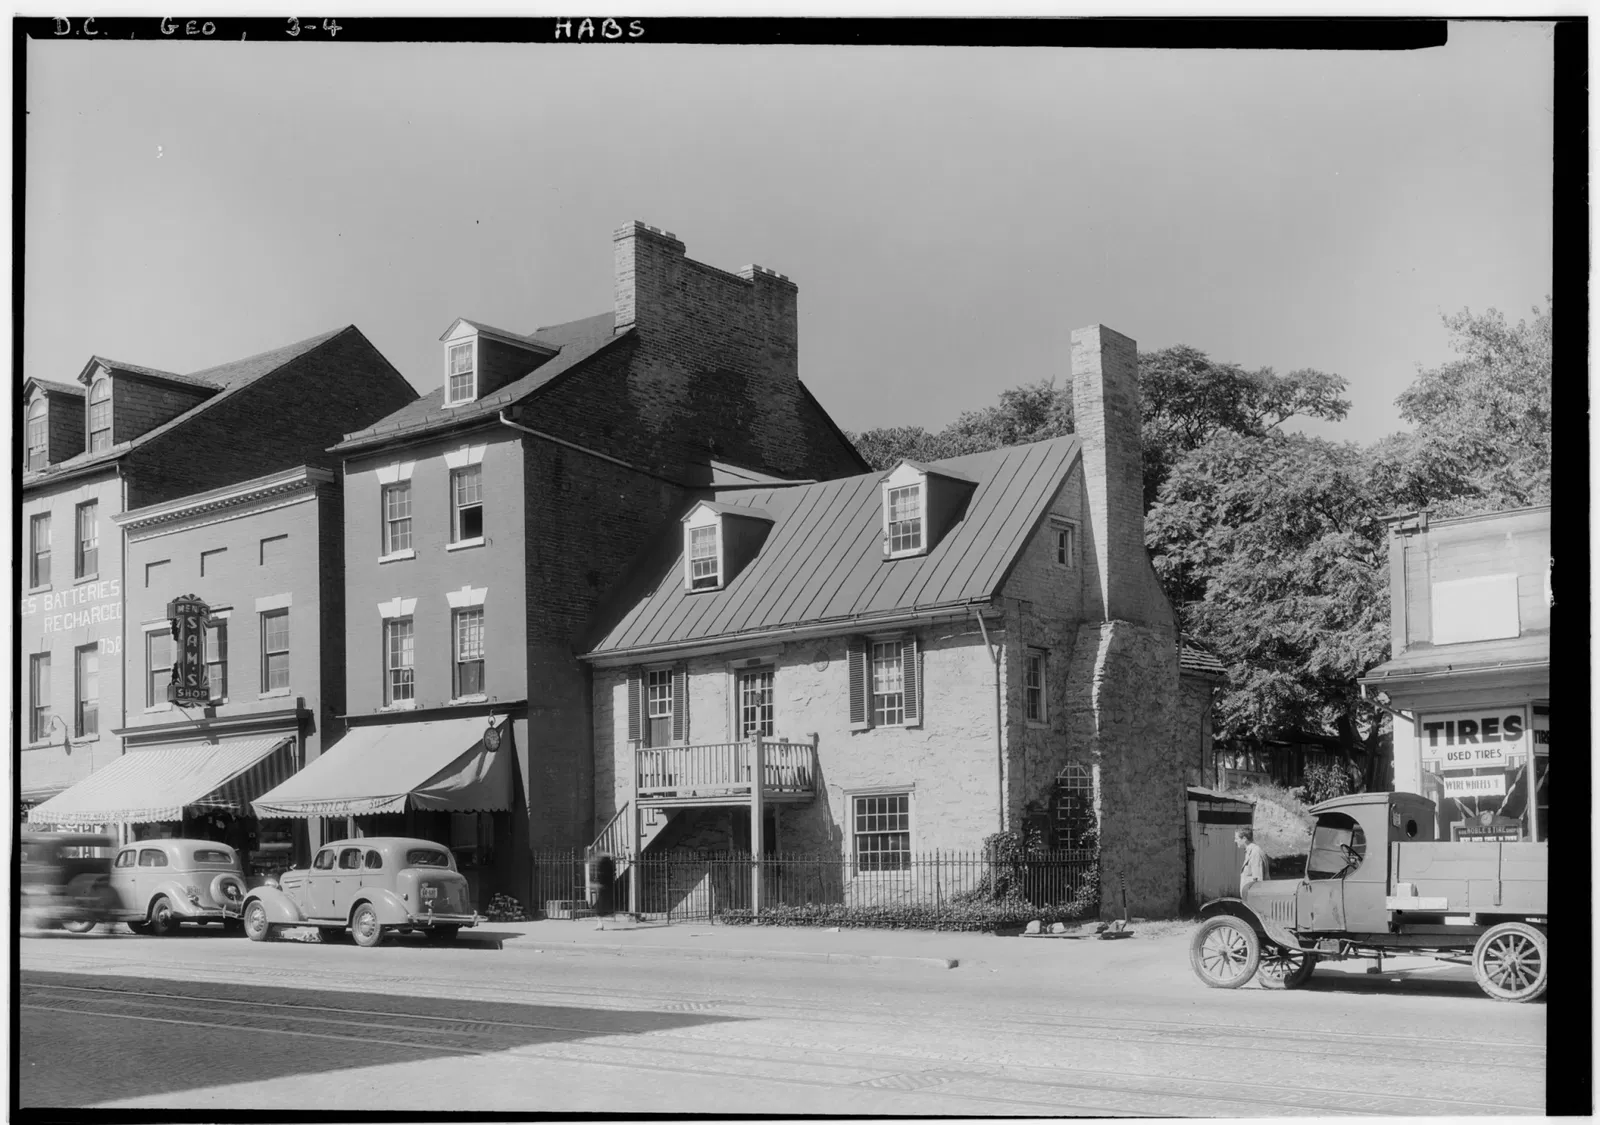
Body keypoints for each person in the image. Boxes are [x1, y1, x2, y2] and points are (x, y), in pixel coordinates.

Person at [1236, 827, 1267, 894]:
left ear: (1244, 839)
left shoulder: (1255, 853)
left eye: (1236, 838)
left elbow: (1258, 882)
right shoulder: (1250, 852)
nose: (1235, 841)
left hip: (1254, 899)